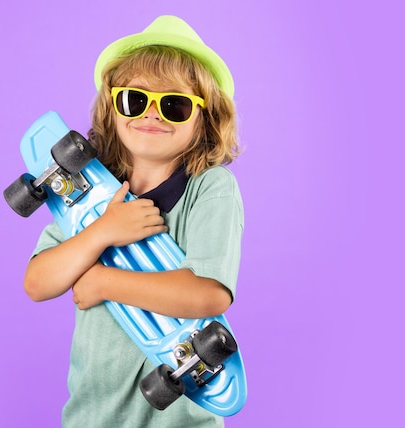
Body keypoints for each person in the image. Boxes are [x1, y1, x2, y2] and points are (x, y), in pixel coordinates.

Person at [24, 15, 244, 427]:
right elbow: (37, 282)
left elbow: (209, 296)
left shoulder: (210, 188)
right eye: (135, 100)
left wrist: (104, 282)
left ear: (204, 117)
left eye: (174, 105)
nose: (152, 115)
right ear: (113, 105)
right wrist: (104, 230)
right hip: (90, 416)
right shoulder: (89, 194)